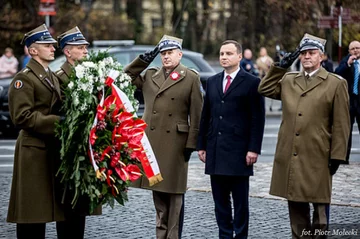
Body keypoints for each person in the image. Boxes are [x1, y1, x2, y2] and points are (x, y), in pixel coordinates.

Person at [258, 33, 350, 238]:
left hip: (318, 155)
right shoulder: (289, 80)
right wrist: (279, 67)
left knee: (320, 213)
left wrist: (337, 156)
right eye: (303, 53)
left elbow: (342, 124)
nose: (307, 56)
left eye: (312, 53)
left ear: (322, 57)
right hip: (292, 155)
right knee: (296, 208)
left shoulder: (335, 83)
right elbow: (264, 88)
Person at [124, 35, 203, 239]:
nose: (166, 57)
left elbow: (197, 115)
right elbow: (125, 77)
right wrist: (142, 60)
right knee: (158, 192)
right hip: (152, 143)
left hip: (177, 143)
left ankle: (173, 235)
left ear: (180, 54)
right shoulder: (151, 75)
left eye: (170, 53)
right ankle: (161, 234)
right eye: (163, 53)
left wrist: (192, 143)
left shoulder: (190, 77)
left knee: (174, 194)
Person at [197, 40, 265, 238]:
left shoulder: (252, 82)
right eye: (221, 54)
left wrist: (253, 149)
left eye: (228, 53)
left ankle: (241, 235)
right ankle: (225, 235)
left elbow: (257, 119)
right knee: (220, 203)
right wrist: (201, 144)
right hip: (216, 151)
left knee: (241, 202)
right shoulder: (212, 81)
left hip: (239, 152)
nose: (224, 57)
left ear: (239, 57)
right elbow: (206, 115)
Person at [6, 24, 65, 239]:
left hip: (47, 149)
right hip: (32, 151)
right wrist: (58, 122)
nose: (52, 48)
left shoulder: (49, 75)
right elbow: (22, 117)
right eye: (47, 45)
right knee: (31, 214)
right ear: (32, 50)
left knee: (41, 211)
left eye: (52, 45)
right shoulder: (25, 78)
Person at [55, 26, 101, 239]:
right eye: (80, 47)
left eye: (85, 47)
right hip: (69, 154)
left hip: (87, 151)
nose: (85, 51)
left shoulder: (91, 74)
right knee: (67, 209)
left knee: (81, 209)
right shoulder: (59, 77)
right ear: (67, 51)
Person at [335, 40, 360, 164]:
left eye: (357, 48)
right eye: (352, 49)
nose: (355, 50)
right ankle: (345, 159)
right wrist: (348, 64)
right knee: (346, 131)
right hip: (349, 102)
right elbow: (337, 74)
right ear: (349, 51)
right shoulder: (346, 61)